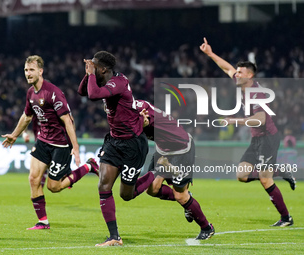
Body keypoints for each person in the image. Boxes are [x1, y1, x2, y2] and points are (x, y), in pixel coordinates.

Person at [200, 38, 294, 227]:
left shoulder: (257, 94)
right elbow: (226, 68)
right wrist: (210, 53)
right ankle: (279, 171)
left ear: (249, 76)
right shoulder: (242, 83)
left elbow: (260, 119)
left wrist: (235, 120)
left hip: (268, 138)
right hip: (256, 138)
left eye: (240, 72)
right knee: (242, 175)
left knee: (264, 180)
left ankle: (286, 218)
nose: (236, 74)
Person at [2, 55, 99, 230]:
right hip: (43, 141)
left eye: (31, 70)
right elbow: (27, 116)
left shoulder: (52, 92)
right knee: (33, 179)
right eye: (26, 70)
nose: (28, 73)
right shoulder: (31, 92)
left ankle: (88, 167)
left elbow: (68, 120)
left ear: (40, 71)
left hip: (60, 144)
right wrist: (15, 135)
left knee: (53, 187)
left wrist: (75, 148)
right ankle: (43, 222)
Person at [78, 51, 155, 246]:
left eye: (95, 65)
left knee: (126, 195)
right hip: (114, 141)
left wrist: (91, 74)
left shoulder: (118, 82)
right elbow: (82, 92)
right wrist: (89, 73)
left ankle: (156, 173)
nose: (92, 67)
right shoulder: (102, 79)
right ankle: (114, 237)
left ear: (103, 69)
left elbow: (93, 94)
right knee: (104, 185)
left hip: (133, 144)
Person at [136, 100, 215, 240]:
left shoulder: (139, 111)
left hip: (181, 149)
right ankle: (188, 201)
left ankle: (206, 228)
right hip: (164, 150)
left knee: (180, 196)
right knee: (152, 189)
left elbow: (144, 122)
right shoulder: (132, 109)